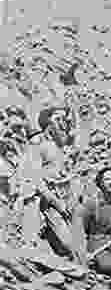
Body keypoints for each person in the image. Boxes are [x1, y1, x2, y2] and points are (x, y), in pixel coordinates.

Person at [16, 106, 82, 256]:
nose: (62, 123)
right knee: (69, 245)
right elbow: (34, 179)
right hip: (49, 200)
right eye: (57, 119)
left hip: (67, 197)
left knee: (81, 241)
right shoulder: (37, 144)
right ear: (47, 124)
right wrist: (56, 202)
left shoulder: (59, 145)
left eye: (63, 119)